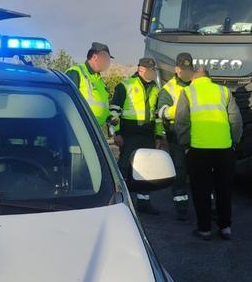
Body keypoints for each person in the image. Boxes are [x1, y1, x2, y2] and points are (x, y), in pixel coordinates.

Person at [175, 66, 243, 240]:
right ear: (209, 78)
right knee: (224, 189)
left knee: (201, 191)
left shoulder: (187, 91)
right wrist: (234, 142)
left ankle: (204, 229)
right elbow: (235, 120)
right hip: (224, 149)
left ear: (194, 78)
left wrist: (185, 145)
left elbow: (181, 121)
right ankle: (225, 227)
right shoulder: (224, 91)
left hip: (198, 149)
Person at [110, 57, 161, 215]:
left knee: (146, 169)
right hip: (129, 132)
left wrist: (158, 135)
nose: (153, 73)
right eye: (150, 70)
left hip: (148, 133)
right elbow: (114, 111)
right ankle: (119, 201)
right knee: (125, 166)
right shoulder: (126, 86)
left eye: (154, 70)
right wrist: (116, 133)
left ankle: (144, 203)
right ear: (141, 70)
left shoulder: (155, 89)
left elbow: (157, 115)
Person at [156, 52, 195, 220]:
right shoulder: (168, 89)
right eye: (183, 69)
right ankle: (181, 207)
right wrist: (181, 110)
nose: (186, 72)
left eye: (189, 69)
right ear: (176, 69)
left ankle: (209, 206)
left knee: (201, 172)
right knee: (179, 173)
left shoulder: (197, 85)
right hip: (177, 137)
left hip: (197, 136)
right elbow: (162, 112)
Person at [66, 42, 113, 129]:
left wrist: (109, 117)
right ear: (95, 57)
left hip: (95, 130)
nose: (108, 63)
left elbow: (102, 105)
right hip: (79, 128)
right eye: (105, 59)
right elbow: (67, 102)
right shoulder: (76, 72)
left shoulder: (99, 79)